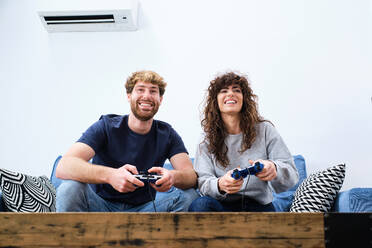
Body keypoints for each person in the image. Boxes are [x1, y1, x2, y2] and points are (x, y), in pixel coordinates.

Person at [56, 70, 198, 212]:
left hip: (144, 210)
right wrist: (111, 175)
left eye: (153, 91)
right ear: (129, 96)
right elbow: (64, 166)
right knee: (70, 188)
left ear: (160, 99)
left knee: (189, 196)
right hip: (98, 205)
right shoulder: (106, 126)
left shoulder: (167, 134)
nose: (147, 96)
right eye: (140, 90)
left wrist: (172, 176)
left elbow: (191, 175)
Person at [188, 72, 299, 212]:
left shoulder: (265, 130)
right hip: (221, 205)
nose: (230, 94)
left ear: (244, 99)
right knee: (200, 205)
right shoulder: (206, 138)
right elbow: (203, 182)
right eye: (224, 91)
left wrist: (274, 169)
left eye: (236, 90)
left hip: (258, 205)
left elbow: (292, 176)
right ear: (215, 101)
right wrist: (220, 185)